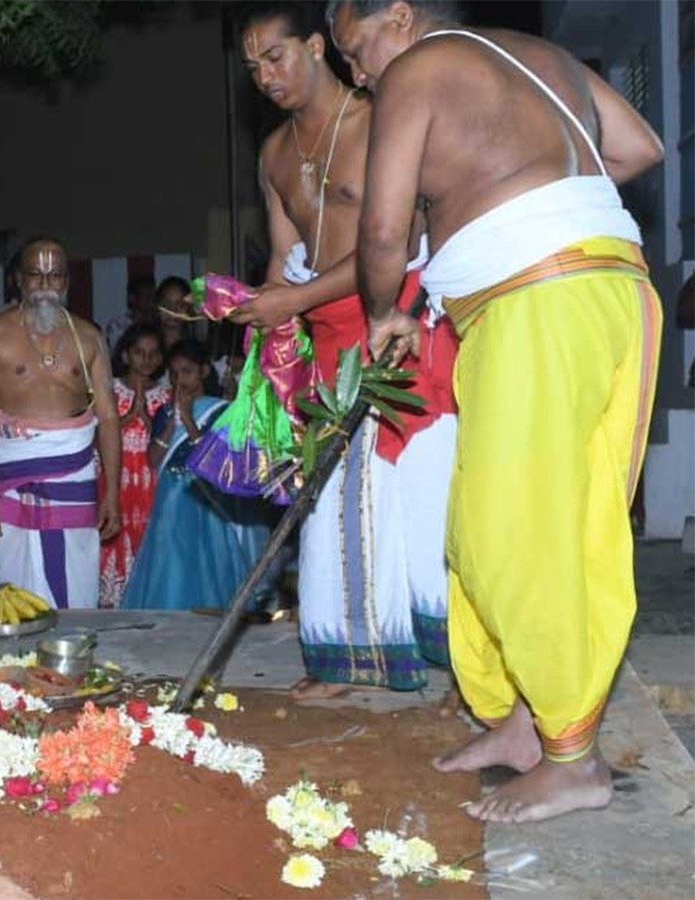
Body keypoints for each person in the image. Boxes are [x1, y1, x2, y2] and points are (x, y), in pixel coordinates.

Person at [329, 0, 664, 822]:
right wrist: (523, 192)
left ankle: (574, 760)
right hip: (613, 290)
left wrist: (384, 313)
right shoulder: (537, 56)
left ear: (399, 17)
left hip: (539, 303)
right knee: (546, 519)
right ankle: (526, 723)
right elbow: (638, 146)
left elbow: (382, 228)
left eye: (355, 50)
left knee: (512, 533)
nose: (358, 74)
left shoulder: (417, 70)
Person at [232, 2, 459, 699]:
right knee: (332, 501)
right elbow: (283, 257)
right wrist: (264, 322)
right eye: (251, 68)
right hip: (326, 342)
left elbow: (390, 239)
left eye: (275, 56)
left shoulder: (380, 117)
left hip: (397, 320)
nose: (265, 76)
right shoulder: (273, 154)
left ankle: (464, 664)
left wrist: (291, 299)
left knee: (423, 497)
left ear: (315, 46)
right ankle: (348, 656)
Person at [0, 237, 122, 610]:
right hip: (10, 474)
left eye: (55, 277)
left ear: (67, 282)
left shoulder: (89, 337)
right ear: (19, 279)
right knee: (13, 591)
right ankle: (16, 664)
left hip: (75, 474)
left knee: (78, 579)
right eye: (36, 276)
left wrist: (112, 492)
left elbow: (110, 418)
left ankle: (68, 664)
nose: (46, 286)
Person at [122, 341, 274, 610]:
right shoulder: (164, 412)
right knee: (170, 558)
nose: (180, 379)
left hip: (204, 493)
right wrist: (171, 423)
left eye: (188, 371)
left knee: (206, 559)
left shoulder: (221, 410)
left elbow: (217, 459)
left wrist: (189, 422)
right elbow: (153, 460)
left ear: (204, 371)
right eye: (174, 373)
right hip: (171, 493)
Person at [100, 323, 169, 607]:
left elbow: (165, 441)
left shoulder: (167, 394)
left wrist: (146, 415)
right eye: (139, 353)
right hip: (116, 478)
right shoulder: (110, 390)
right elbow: (98, 436)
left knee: (148, 538)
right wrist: (129, 415)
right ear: (126, 355)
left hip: (150, 481)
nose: (146, 360)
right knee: (116, 539)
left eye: (153, 354)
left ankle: (143, 598)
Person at [106, 274, 159, 355]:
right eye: (148, 296)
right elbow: (117, 355)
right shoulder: (117, 326)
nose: (152, 301)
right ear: (132, 298)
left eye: (154, 296)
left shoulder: (158, 324)